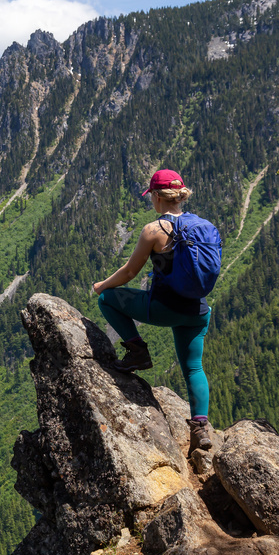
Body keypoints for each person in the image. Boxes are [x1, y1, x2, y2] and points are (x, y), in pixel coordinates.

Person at [91, 169, 213, 454]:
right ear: (181, 196)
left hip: (164, 309)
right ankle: (200, 429)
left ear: (157, 197)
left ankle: (138, 352)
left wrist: (101, 285)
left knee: (108, 299)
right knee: (194, 368)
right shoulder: (203, 226)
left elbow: (130, 271)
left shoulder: (154, 230)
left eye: (151, 197)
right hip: (198, 312)